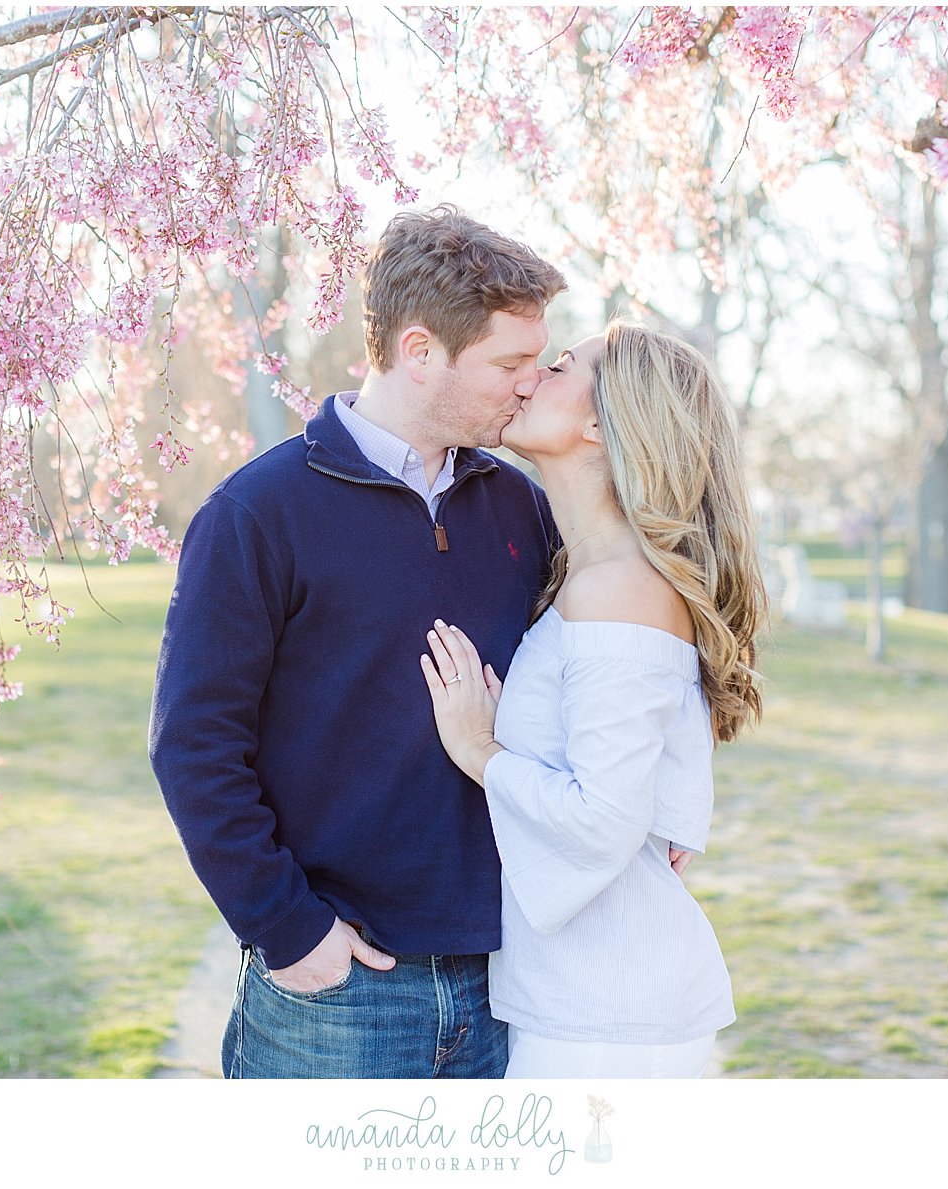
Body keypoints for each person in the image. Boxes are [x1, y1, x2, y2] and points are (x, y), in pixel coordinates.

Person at [148, 207, 566, 1078]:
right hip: (336, 994)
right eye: (509, 362)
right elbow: (193, 744)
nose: (531, 384)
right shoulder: (257, 515)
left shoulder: (520, 507)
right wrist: (289, 929)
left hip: (501, 978)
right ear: (420, 351)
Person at [420, 321, 767, 1078]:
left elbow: (604, 819)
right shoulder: (601, 576)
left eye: (563, 366)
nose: (534, 373)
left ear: (599, 421)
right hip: (591, 1001)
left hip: (608, 1019)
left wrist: (483, 752)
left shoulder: (618, 589)